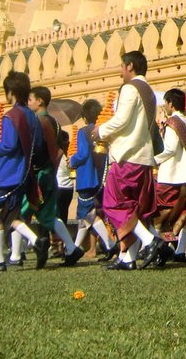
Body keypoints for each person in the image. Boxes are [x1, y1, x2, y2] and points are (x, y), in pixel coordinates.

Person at [96, 51, 161, 270]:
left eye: (122, 67)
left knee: (114, 203)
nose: (120, 71)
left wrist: (100, 131)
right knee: (135, 209)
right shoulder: (149, 92)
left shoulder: (130, 88)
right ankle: (128, 258)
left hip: (127, 156)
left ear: (130, 66)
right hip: (143, 156)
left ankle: (151, 240)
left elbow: (121, 120)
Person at [0, 71, 44, 273]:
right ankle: (36, 240)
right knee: (10, 217)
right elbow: (39, 145)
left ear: (11, 92)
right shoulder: (32, 116)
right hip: (24, 173)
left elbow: (8, 145)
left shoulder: (11, 116)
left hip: (7, 173)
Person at [29, 85, 82, 267]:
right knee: (47, 214)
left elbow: (37, 150)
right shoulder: (53, 123)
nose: (28, 103)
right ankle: (67, 246)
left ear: (40, 101)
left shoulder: (41, 121)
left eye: (30, 100)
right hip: (50, 173)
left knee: (19, 213)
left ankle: (25, 249)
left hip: (42, 173)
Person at [152, 88, 186, 265]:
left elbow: (169, 149)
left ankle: (159, 247)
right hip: (185, 175)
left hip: (169, 176)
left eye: (166, 103)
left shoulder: (172, 123)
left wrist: (153, 159)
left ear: (171, 104)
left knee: (161, 215)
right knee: (183, 213)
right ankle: (179, 251)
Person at [68, 98, 113, 258]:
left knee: (85, 213)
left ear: (85, 117)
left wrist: (72, 160)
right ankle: (74, 248)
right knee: (89, 214)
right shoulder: (104, 131)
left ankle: (108, 244)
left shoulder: (83, 132)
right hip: (101, 178)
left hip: (86, 178)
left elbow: (83, 154)